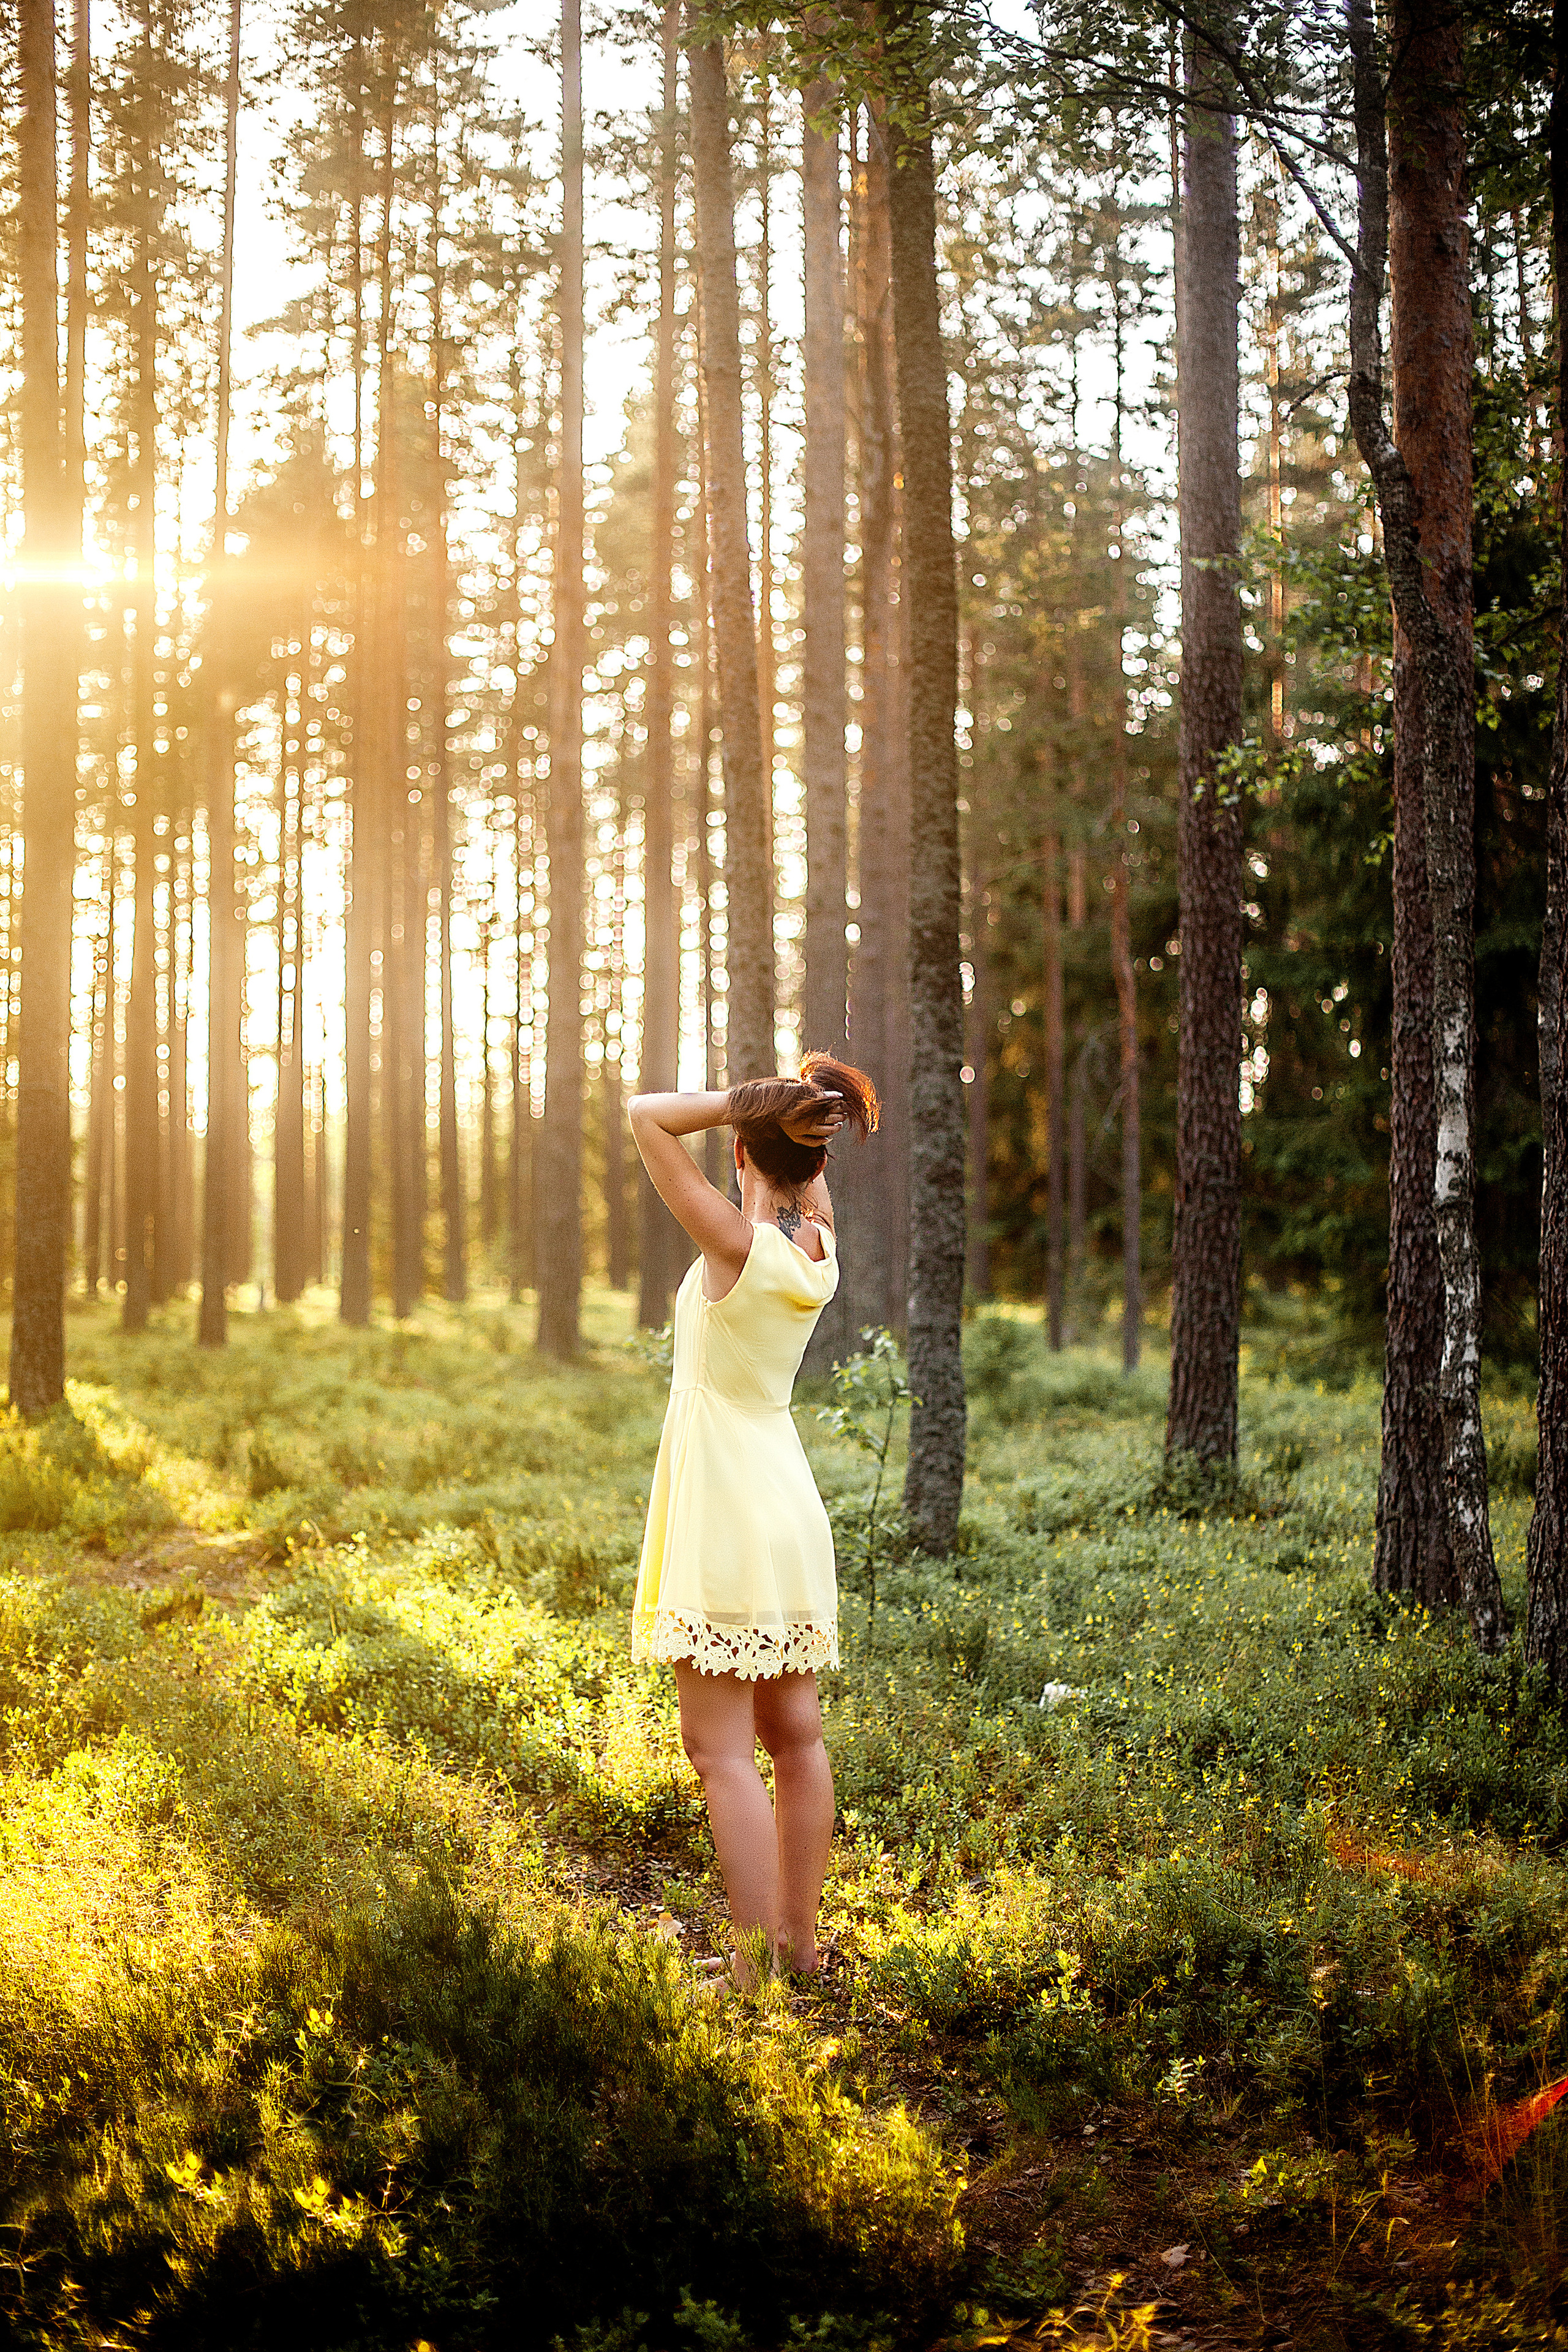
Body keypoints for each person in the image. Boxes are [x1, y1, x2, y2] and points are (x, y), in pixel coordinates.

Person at [627, 1054, 879, 1987]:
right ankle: (799, 1948)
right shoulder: (818, 1244)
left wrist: (759, 1101)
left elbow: (646, 1116)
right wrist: (794, 1114)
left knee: (719, 1749)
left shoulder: (735, 1246)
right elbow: (803, 1183)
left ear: (738, 1145)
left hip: (728, 1503)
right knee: (797, 1736)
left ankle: (750, 1967)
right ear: (814, 1163)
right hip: (785, 1495)